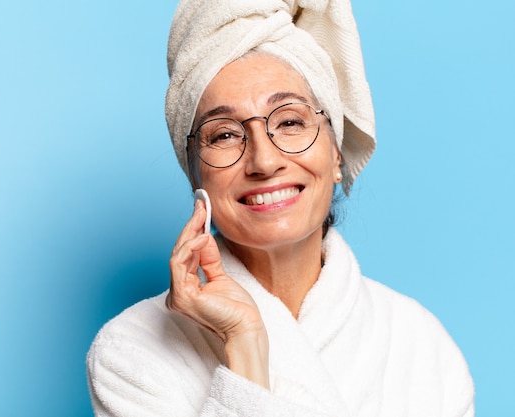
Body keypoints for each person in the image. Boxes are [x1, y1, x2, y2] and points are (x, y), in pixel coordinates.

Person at [87, 0, 475, 416]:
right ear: (196, 176)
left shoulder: (422, 347)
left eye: (290, 122)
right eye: (224, 135)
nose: (264, 161)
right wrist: (246, 343)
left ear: (337, 154)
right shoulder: (130, 352)